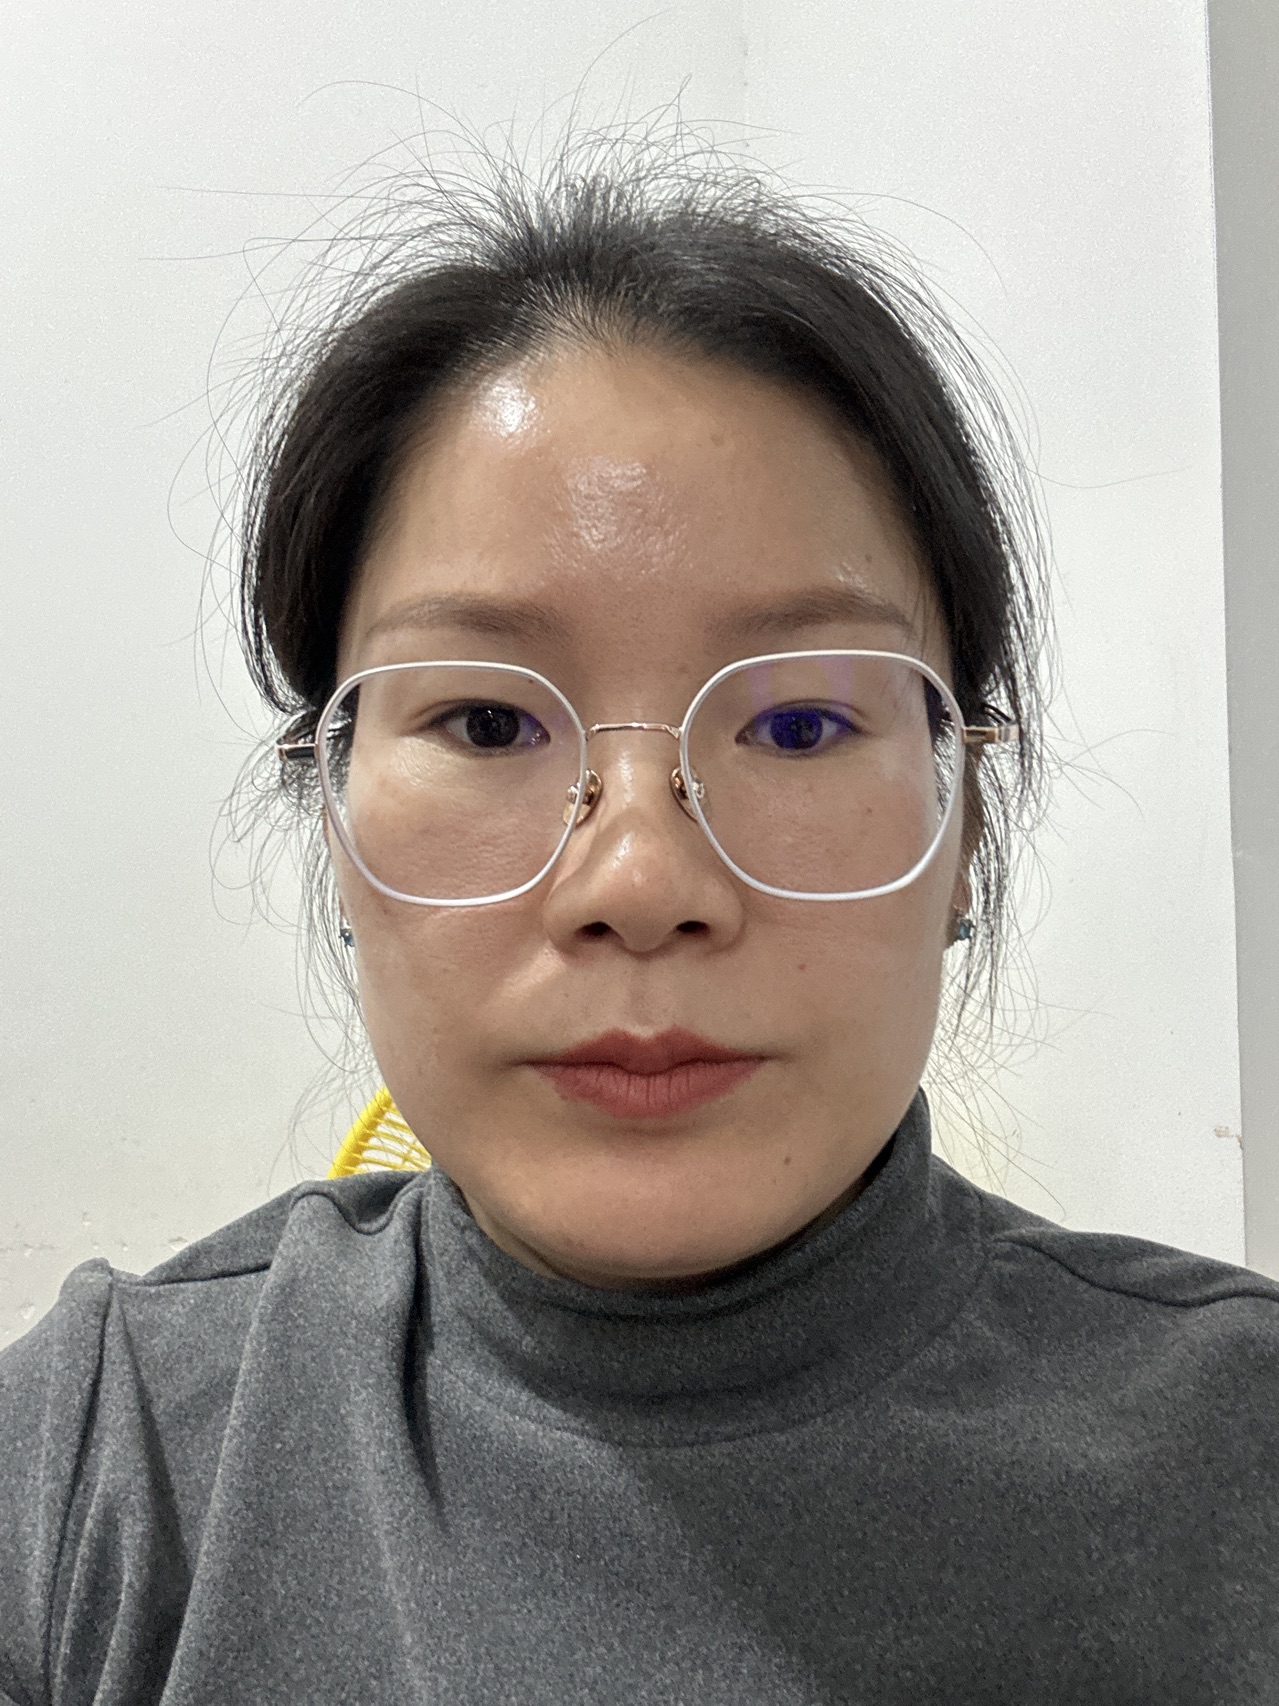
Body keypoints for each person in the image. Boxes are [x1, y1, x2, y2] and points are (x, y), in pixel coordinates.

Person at [2, 136, 1277, 1705]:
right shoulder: (105, 1463)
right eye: (485, 722)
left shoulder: (1240, 1458)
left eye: (799, 724)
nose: (641, 885)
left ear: (968, 830)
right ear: (330, 822)